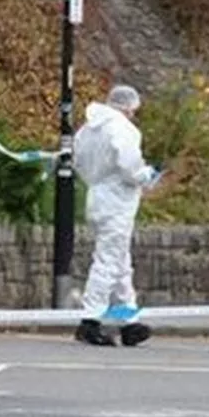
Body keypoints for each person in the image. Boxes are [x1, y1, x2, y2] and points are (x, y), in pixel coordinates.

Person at [71, 84, 160, 347]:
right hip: (117, 203)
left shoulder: (88, 129)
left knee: (120, 263)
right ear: (129, 108)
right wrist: (148, 175)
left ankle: (128, 321)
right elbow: (131, 168)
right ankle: (90, 321)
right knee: (108, 262)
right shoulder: (123, 130)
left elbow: (80, 162)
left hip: (97, 197)